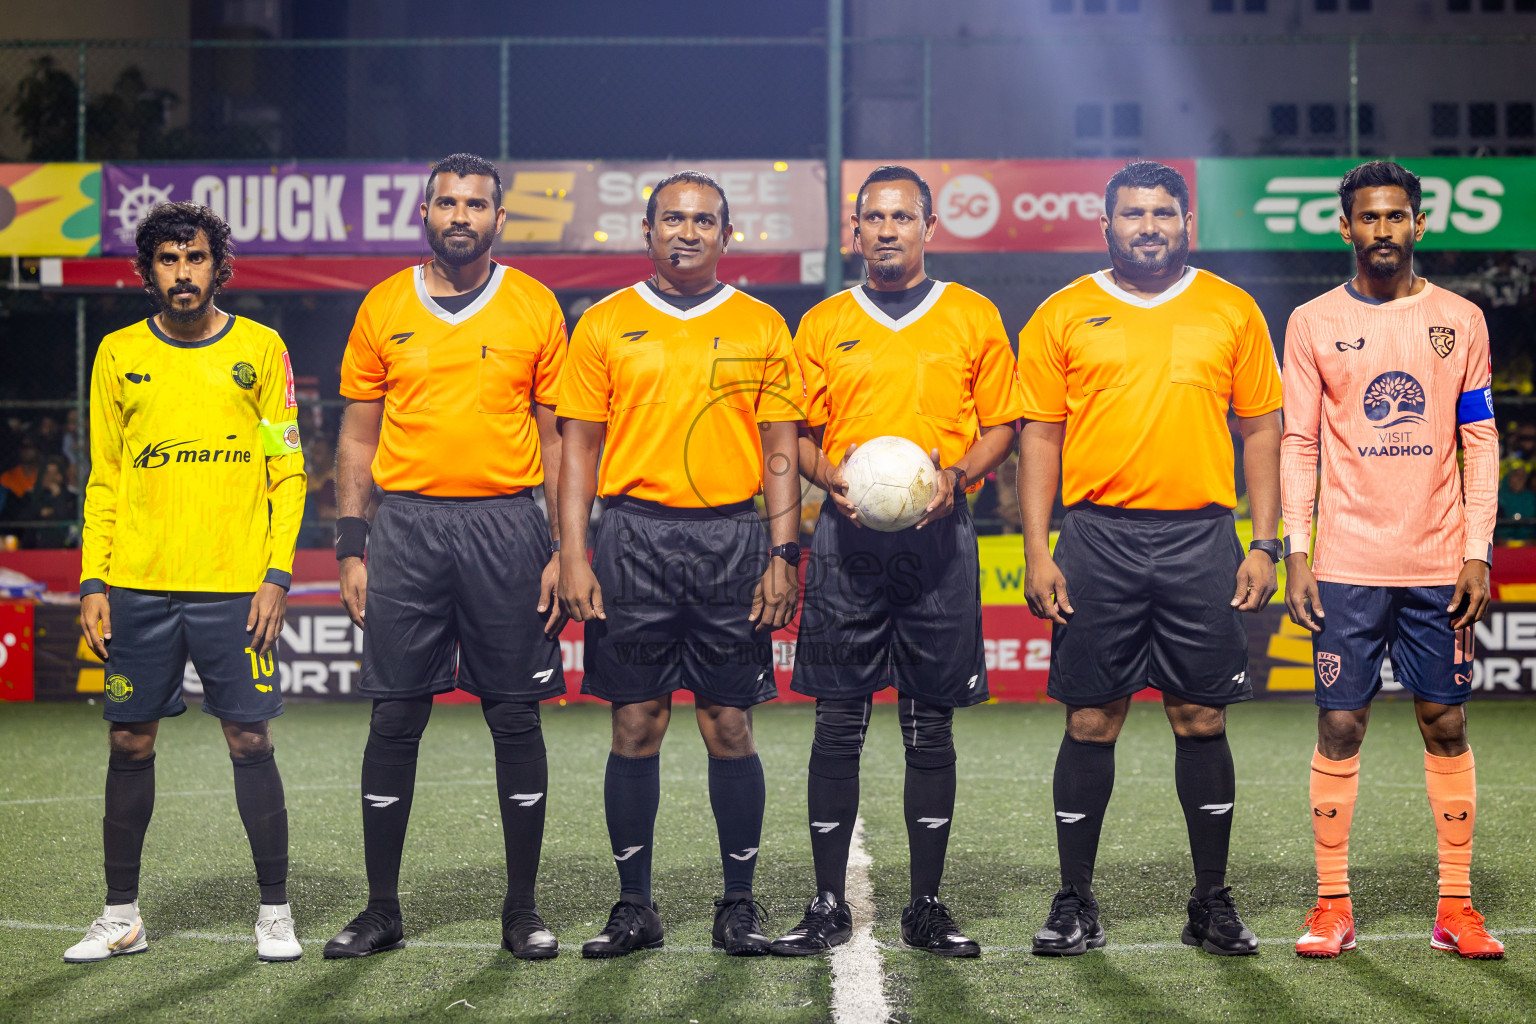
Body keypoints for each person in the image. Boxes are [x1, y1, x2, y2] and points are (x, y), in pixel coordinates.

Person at [1017, 161, 1282, 958]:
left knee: (1201, 717)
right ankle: (1075, 900)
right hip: (1097, 540)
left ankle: (1210, 901)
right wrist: (1037, 548)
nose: (1149, 226)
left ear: (1187, 223)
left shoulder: (1231, 308)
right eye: (1133, 213)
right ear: (1106, 225)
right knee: (1090, 719)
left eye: (1163, 212)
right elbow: (1040, 437)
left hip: (1202, 539)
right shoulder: (1063, 312)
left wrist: (1264, 542)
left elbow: (1262, 431)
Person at [770, 164, 1022, 960]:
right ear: (855, 230)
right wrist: (828, 477)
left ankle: (926, 905)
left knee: (929, 724)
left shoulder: (972, 315)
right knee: (837, 721)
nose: (887, 229)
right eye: (873, 218)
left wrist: (959, 476)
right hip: (847, 544)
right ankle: (825, 903)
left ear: (928, 227)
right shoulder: (823, 324)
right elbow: (793, 433)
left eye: (902, 216)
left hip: (938, 542)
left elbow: (1003, 423)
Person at [323, 154, 569, 961]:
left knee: (514, 714)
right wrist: (351, 547)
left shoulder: (535, 305)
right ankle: (381, 910)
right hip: (407, 528)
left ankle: (522, 910)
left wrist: (564, 547)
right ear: (424, 212)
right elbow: (357, 439)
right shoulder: (384, 304)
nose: (460, 215)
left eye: (476, 204)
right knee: (395, 715)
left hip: (508, 526)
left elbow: (556, 439)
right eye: (447, 203)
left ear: (499, 218)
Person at [557, 170, 802, 958]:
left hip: (732, 538)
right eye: (672, 219)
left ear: (727, 235)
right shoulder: (603, 323)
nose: (687, 232)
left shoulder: (762, 324)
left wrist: (783, 552)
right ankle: (635, 907)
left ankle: (738, 905)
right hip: (633, 538)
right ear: (647, 230)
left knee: (729, 723)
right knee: (636, 723)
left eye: (703, 221)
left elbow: (780, 448)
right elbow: (577, 450)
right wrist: (572, 553)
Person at [67, 201, 306, 963]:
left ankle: (275, 912)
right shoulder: (117, 353)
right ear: (148, 272)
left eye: (194, 258)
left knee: (250, 737)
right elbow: (105, 476)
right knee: (129, 740)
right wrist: (93, 581)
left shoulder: (261, 349)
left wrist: (276, 575)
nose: (182, 273)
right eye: (167, 260)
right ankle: (121, 916)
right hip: (138, 584)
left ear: (217, 266)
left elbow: (288, 470)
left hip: (235, 585)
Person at [1281, 160, 1503, 960]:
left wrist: (1476, 550)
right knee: (1340, 722)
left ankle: (1457, 907)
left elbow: (1480, 440)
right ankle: (1331, 904)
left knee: (1445, 720)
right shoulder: (1311, 321)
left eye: (1396, 216)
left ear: (1419, 223)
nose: (1383, 230)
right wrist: (1297, 550)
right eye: (1369, 217)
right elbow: (1299, 441)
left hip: (1439, 560)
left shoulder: (1461, 320)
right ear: (1345, 227)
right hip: (1346, 561)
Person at [20, 455, 77, 548]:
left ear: (61, 476)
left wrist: (57, 495)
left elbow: (67, 516)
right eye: (48, 473)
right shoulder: (30, 495)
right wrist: (39, 512)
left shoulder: (71, 496)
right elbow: (23, 518)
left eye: (55, 473)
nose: (51, 477)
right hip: (34, 545)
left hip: (64, 544)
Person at [1, 435, 41, 501]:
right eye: (23, 447)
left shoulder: (44, 475)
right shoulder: (6, 477)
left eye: (31, 446)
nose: (27, 450)